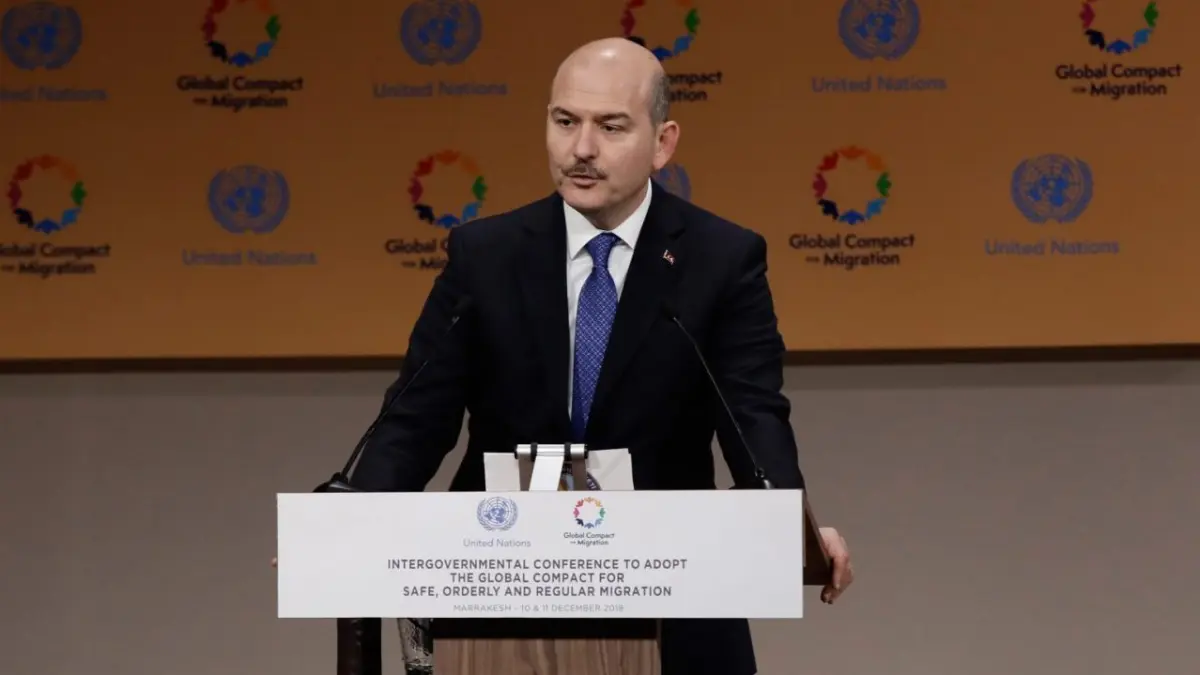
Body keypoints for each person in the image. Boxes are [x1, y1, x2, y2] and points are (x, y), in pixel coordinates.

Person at [341, 37, 853, 675]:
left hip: (671, 595)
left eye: (610, 127)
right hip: (500, 591)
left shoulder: (720, 259)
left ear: (663, 143)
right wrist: (348, 524)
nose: (581, 148)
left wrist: (787, 520)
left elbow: (752, 415)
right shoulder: (485, 254)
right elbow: (416, 417)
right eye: (565, 122)